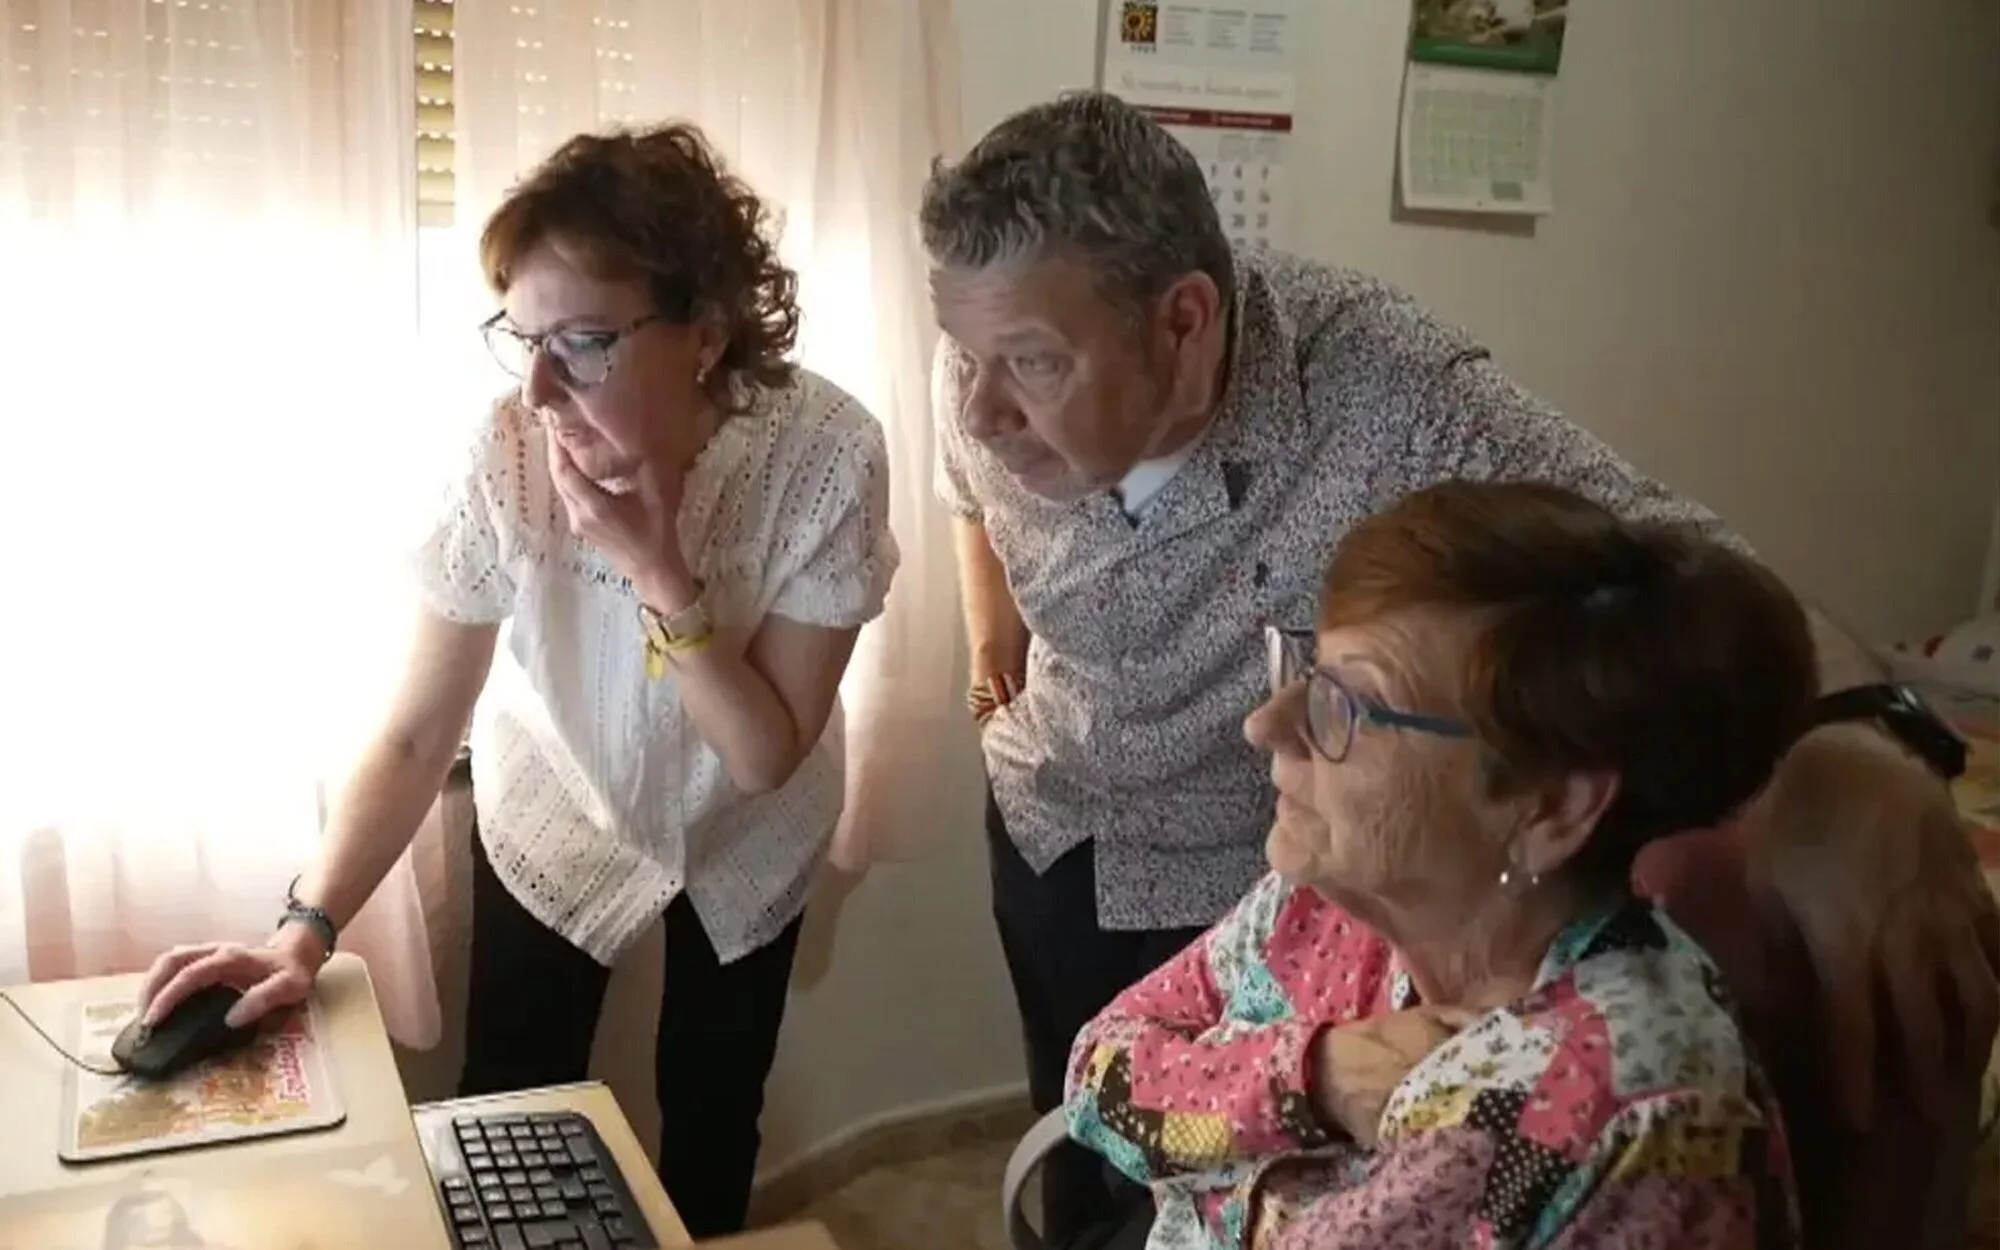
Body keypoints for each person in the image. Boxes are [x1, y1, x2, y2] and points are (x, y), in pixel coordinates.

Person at [917, 88, 1999, 1245]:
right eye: (964, 356)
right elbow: (966, 488)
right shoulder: (983, 367)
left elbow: (1680, 572)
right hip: (1056, 824)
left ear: (1183, 323)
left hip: (1241, 859)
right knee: (1093, 1160)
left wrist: (1860, 752)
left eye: (1028, 364)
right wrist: (989, 649)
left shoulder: (1386, 393)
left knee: (1216, 1157)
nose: (978, 407)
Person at [135, 122, 898, 1238]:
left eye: (581, 342)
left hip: (751, 832)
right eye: (523, 338)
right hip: (557, 813)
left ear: (704, 332)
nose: (538, 388)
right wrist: (305, 927)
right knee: (507, 1101)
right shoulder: (504, 452)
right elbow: (416, 731)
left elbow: (762, 754)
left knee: (713, 1107)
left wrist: (657, 570)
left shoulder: (827, 453)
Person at [1063, 479, 1812, 1250]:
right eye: (1310, 672)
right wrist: (1311, 1080)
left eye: (1350, 705)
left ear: (1549, 808)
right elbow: (1094, 1075)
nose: (1266, 725)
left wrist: (1217, 1133)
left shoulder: (1605, 1104)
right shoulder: (1327, 904)